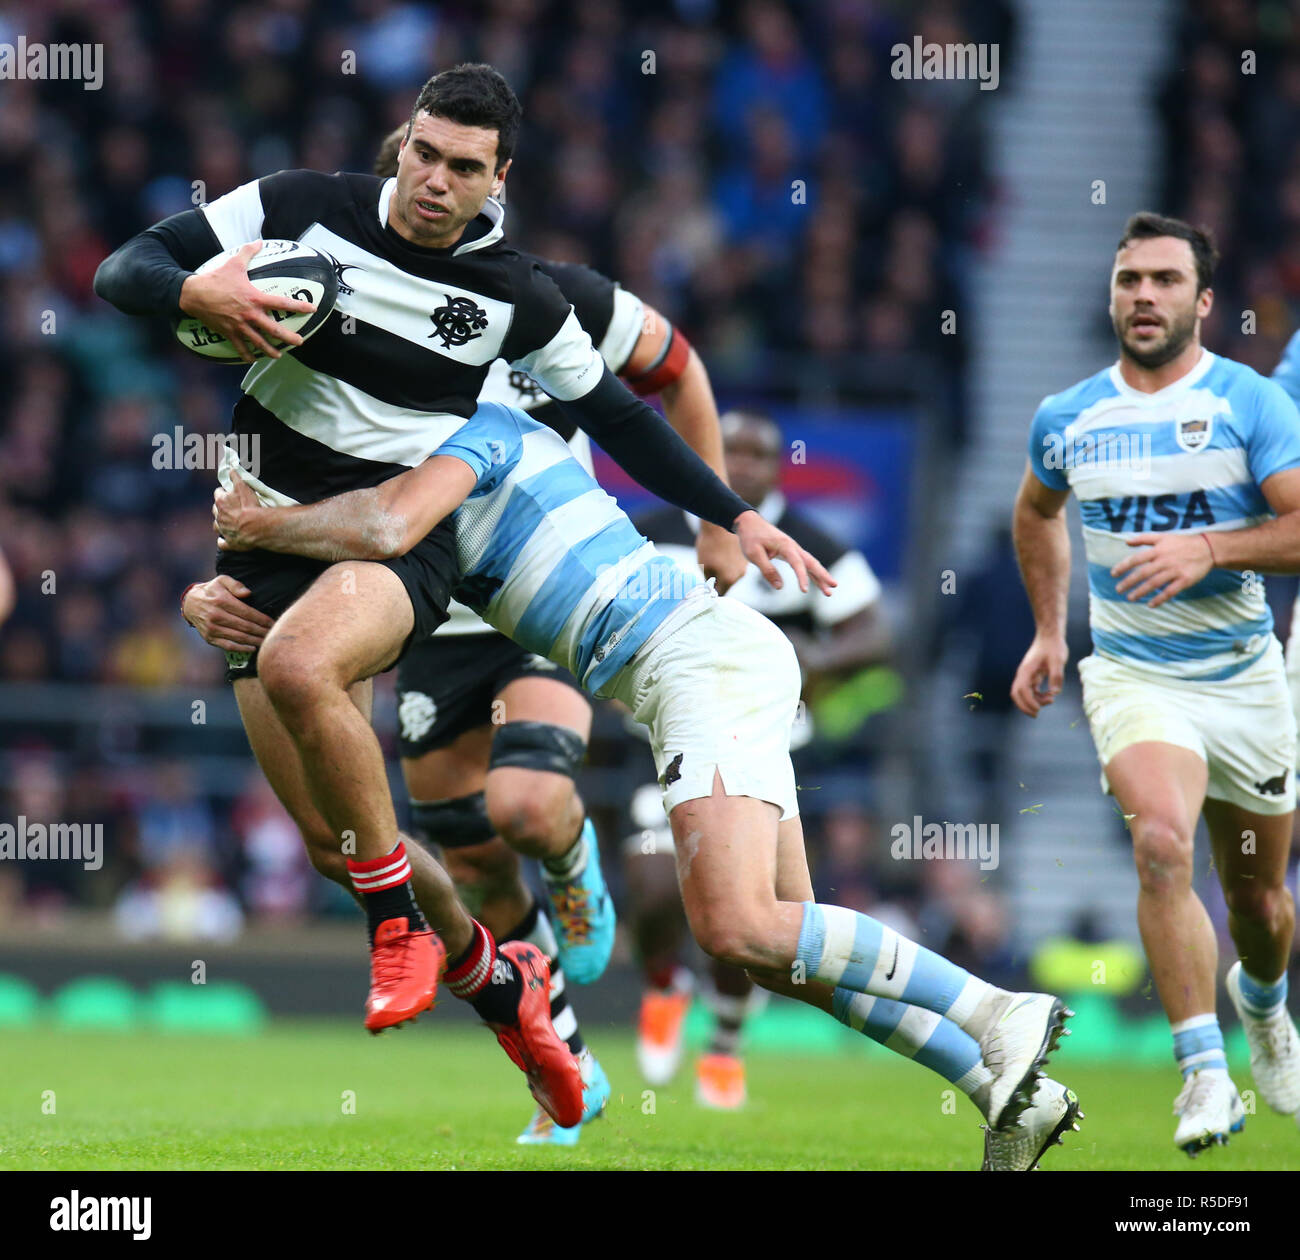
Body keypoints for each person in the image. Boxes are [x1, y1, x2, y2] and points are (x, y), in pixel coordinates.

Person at [94, 63, 794, 1126]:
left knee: (317, 676)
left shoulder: (521, 295)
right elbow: (122, 270)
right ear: (403, 141)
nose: (432, 179)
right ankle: (504, 990)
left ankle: (419, 920)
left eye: (461, 167)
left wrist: (727, 511)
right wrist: (195, 289)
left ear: (496, 178)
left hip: (396, 544)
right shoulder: (294, 208)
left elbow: (621, 412)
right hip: (267, 539)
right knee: (341, 846)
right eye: (422, 153)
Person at [212, 397, 1078, 1170]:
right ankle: (1001, 1089)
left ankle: (997, 1012)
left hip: (699, 668)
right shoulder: (445, 488)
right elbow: (362, 582)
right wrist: (210, 598)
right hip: (701, 670)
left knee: (737, 927)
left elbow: (376, 529)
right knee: (785, 953)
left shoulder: (477, 434)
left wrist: (258, 527)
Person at [1012, 211, 1300, 1154]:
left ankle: (1261, 1006)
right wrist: (1052, 632)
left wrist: (1210, 546)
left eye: (1166, 281)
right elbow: (1035, 511)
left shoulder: (1251, 404)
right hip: (1136, 676)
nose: (1144, 295)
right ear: (1111, 295)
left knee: (1260, 905)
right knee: (1163, 847)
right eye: (1130, 278)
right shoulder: (1068, 417)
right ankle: (1204, 1078)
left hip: (1247, 678)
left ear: (1204, 303)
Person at [626, 406, 889, 1109]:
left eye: (756, 454)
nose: (740, 464)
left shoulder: (811, 540)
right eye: (728, 450)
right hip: (669, 745)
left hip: (769, 751)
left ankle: (725, 1040)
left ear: (777, 467)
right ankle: (662, 984)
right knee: (653, 886)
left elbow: (875, 631)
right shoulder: (650, 534)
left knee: (751, 910)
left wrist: (816, 654)